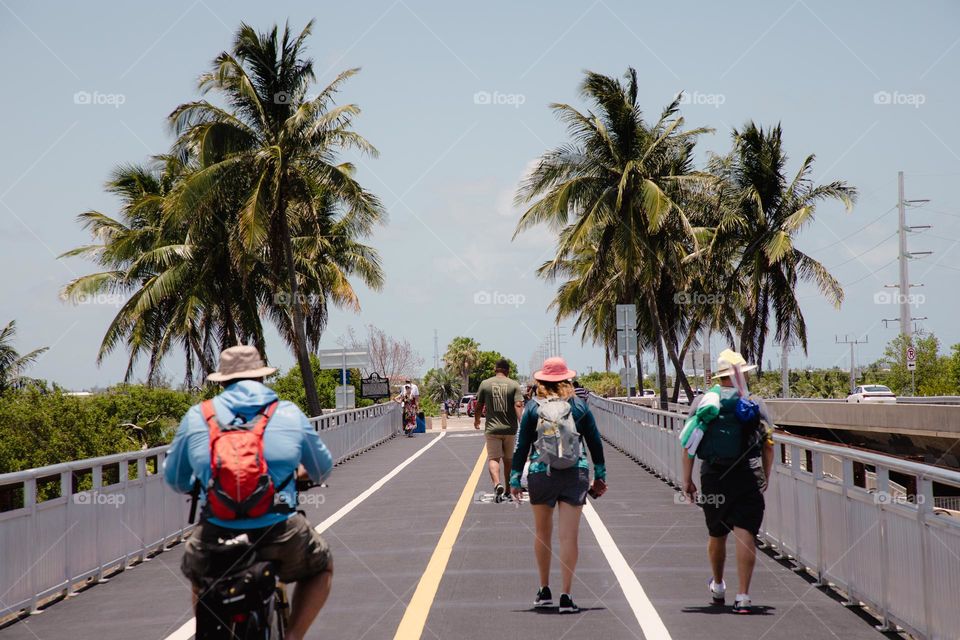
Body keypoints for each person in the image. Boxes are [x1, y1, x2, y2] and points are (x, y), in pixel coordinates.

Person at [163, 345, 334, 640]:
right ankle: (293, 636)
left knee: (200, 573)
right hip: (279, 531)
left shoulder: (197, 416)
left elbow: (175, 480)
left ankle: (210, 632)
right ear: (261, 378)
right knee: (321, 566)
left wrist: (205, 480)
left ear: (222, 381)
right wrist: (297, 475)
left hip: (218, 532)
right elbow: (322, 469)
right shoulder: (287, 413)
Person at [680, 348, 775, 614]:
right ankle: (743, 596)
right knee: (745, 533)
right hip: (747, 473)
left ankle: (719, 585)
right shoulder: (754, 402)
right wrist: (765, 475)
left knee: (717, 533)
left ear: (719, 377)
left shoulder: (703, 402)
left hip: (713, 475)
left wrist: (687, 480)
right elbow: (768, 445)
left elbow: (689, 445)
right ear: (741, 375)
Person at [510, 357, 607, 613]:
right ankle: (566, 595)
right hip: (575, 473)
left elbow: (521, 445)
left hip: (541, 473)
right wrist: (600, 475)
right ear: (567, 379)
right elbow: (595, 443)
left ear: (541, 380)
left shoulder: (533, 407)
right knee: (568, 536)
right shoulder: (579, 406)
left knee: (542, 533)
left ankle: (544, 590)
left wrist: (515, 478)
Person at [474, 358, 525, 502]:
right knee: (508, 460)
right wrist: (522, 422)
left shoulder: (485, 384)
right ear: (508, 371)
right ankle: (508, 490)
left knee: (493, 459)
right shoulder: (514, 384)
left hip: (492, 429)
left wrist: (477, 420)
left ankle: (497, 484)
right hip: (510, 429)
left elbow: (479, 405)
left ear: (495, 370)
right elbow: (518, 405)